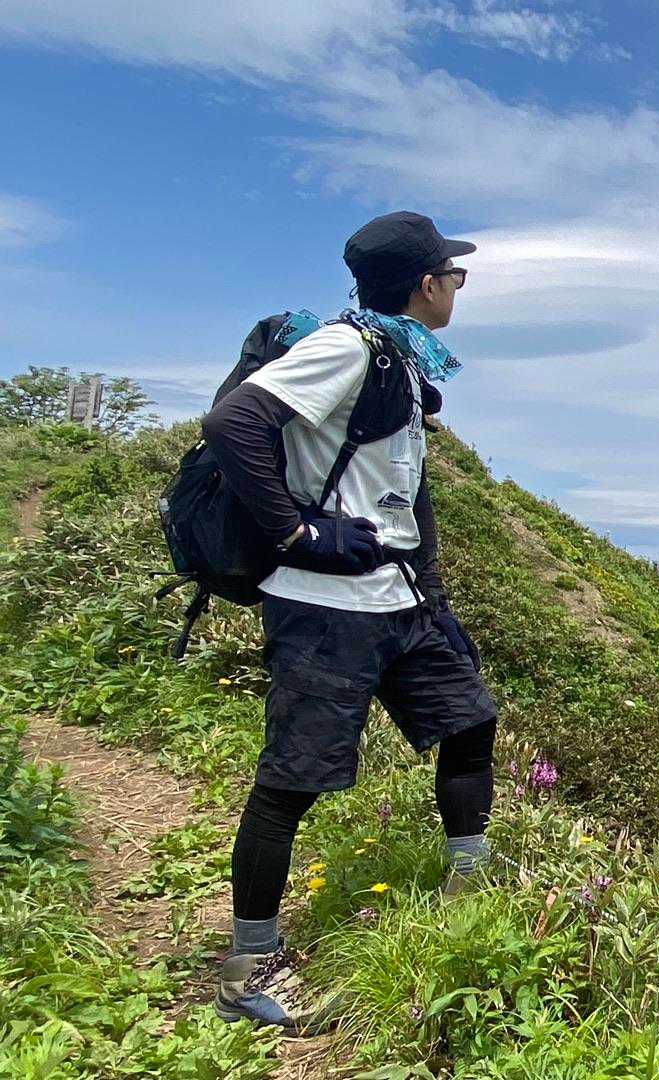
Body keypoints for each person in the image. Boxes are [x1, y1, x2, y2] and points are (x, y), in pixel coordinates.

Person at [200, 211, 496, 1030]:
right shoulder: (347, 348)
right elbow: (233, 424)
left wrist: (434, 596)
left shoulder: (400, 358)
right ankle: (245, 971)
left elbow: (404, 494)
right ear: (427, 284)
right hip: (327, 606)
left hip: (397, 598)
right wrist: (297, 533)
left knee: (470, 722)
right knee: (292, 782)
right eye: (454, 275)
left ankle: (471, 884)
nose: (457, 288)